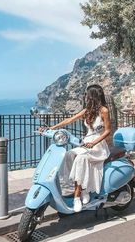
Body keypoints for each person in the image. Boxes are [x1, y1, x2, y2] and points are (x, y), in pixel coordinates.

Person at [47, 84, 111, 212]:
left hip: (98, 146)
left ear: (92, 96)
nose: (85, 96)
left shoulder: (104, 110)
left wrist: (94, 143)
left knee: (80, 158)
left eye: (87, 94)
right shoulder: (87, 110)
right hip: (86, 142)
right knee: (69, 154)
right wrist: (52, 128)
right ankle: (77, 187)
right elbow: (70, 120)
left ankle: (78, 196)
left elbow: (107, 131)